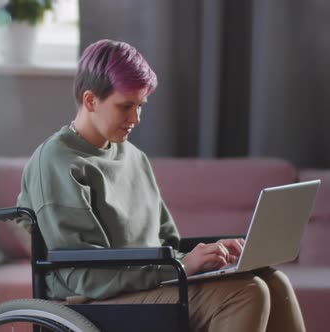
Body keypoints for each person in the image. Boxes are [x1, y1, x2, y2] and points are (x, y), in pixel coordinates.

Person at [16, 39, 305, 332]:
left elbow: (167, 245)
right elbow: (86, 277)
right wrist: (179, 267)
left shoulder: (134, 157)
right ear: (90, 101)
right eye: (125, 106)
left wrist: (210, 259)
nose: (136, 119)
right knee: (246, 294)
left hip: (146, 285)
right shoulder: (57, 161)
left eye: (140, 106)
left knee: (273, 281)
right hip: (89, 301)